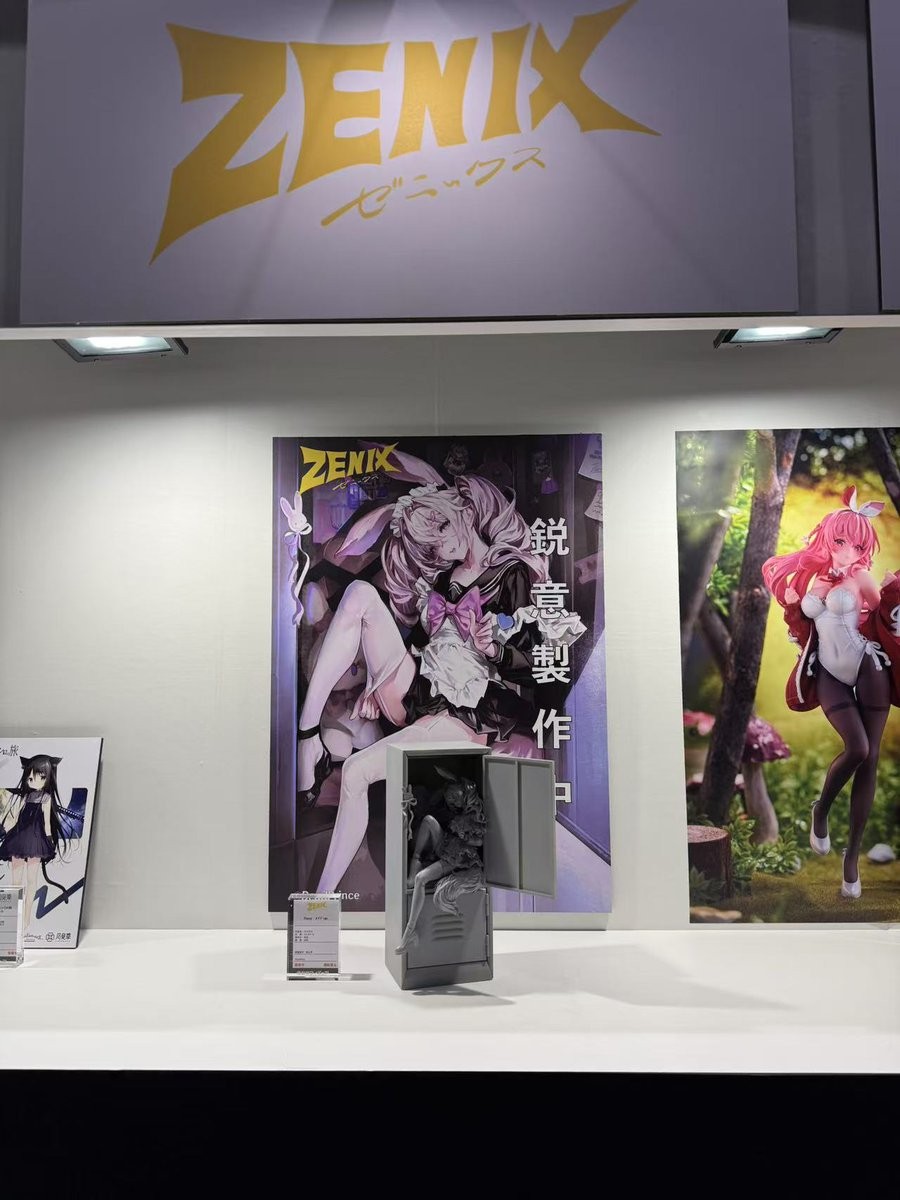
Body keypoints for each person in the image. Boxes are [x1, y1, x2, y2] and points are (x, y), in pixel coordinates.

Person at [292, 473, 581, 895]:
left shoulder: (511, 574)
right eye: (431, 544)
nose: (442, 547)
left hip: (466, 710)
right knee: (358, 594)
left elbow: (534, 664)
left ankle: (319, 901)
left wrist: (494, 649)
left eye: (443, 528)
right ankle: (308, 736)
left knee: (355, 772)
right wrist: (377, 680)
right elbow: (425, 648)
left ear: (464, 509)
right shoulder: (445, 580)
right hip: (421, 690)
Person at [763, 486, 899, 900]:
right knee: (856, 748)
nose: (848, 551)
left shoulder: (861, 577)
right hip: (827, 670)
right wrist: (794, 603)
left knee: (868, 758)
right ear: (827, 538)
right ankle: (820, 809)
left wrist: (890, 595)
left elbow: (883, 615)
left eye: (857, 545)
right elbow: (800, 621)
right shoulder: (809, 576)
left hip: (867, 663)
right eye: (841, 541)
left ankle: (851, 858)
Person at [395, 767, 487, 953]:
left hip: (457, 857)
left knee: (421, 879)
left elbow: (480, 840)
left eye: (455, 798)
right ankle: (414, 867)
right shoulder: (455, 809)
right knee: (429, 820)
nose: (452, 801)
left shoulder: (474, 815)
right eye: (450, 798)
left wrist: (465, 837)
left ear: (465, 794)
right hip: (447, 843)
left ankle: (410, 931)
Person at [0, 754, 70, 928]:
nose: (33, 781)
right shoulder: (25, 796)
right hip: (20, 838)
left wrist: (49, 840)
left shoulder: (46, 798)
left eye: (41, 777)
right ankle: (14, 920)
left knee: (31, 880)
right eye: (30, 778)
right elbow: (17, 817)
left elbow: (47, 823)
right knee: (16, 882)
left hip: (35, 841)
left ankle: (26, 919)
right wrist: (6, 830)